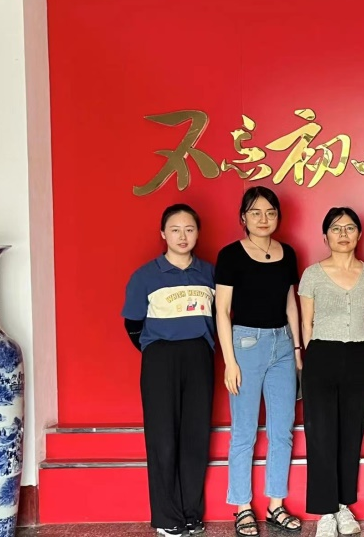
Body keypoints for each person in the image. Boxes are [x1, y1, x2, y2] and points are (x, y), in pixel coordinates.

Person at [122, 204, 215, 537]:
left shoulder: (209, 273)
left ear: (198, 233)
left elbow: (222, 316)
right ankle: (167, 517)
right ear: (163, 234)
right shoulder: (146, 276)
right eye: (175, 229)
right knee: (163, 438)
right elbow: (133, 324)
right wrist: (157, 349)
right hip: (160, 358)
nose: (182, 236)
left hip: (199, 356)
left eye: (189, 229)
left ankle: (191, 513)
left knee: (195, 437)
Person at [215, 187, 303, 537]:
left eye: (270, 212)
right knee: (244, 431)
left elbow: (291, 303)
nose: (263, 219)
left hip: (283, 344)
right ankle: (242, 507)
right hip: (245, 344)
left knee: (282, 431)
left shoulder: (287, 253)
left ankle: (275, 504)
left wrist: (297, 350)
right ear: (243, 218)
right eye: (255, 212)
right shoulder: (230, 255)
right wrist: (229, 361)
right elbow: (222, 311)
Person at [299, 207, 364, 537]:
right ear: (325, 236)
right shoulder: (312, 274)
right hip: (321, 354)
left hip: (358, 355)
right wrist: (310, 358)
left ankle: (344, 506)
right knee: (321, 435)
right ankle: (325, 512)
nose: (343, 234)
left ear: (359, 234)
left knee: (350, 433)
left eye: (349, 228)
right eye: (336, 228)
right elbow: (306, 322)